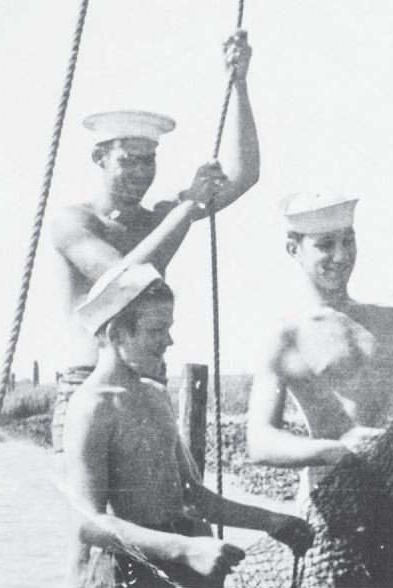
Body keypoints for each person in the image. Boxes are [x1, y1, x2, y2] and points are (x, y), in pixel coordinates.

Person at [50, 30, 258, 457]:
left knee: (155, 513)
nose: (141, 172)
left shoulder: (159, 218)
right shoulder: (72, 221)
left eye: (150, 160)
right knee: (93, 520)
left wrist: (239, 83)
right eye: (129, 160)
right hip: (87, 380)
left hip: (148, 383)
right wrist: (187, 208)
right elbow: (122, 282)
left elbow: (244, 175)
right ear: (99, 158)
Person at [63, 263, 312, 588]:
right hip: (126, 573)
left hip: (182, 562)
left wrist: (271, 521)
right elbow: (88, 524)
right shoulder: (91, 408)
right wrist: (185, 549)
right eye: (156, 329)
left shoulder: (155, 395)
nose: (169, 340)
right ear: (116, 334)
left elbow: (193, 498)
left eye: (169, 328)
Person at [247, 190, 393, 500]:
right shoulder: (288, 334)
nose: (341, 256)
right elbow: (260, 441)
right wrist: (338, 450)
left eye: (348, 241)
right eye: (325, 245)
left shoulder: (392, 322)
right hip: (331, 497)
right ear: (294, 249)